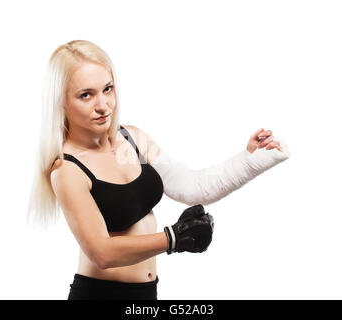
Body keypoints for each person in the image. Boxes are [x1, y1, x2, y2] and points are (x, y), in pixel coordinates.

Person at [27, 40, 290, 300]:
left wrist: (251, 160)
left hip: (146, 295)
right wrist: (172, 239)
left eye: (108, 89)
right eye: (86, 95)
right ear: (61, 102)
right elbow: (102, 252)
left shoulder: (132, 138)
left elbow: (192, 187)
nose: (103, 105)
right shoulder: (67, 169)